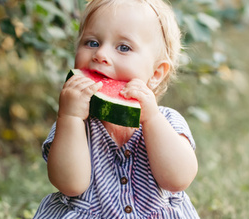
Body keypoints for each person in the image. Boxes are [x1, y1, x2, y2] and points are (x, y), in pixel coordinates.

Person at [33, 0, 199, 218]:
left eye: (123, 47)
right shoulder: (73, 125)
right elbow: (70, 184)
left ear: (156, 73)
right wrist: (70, 117)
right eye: (92, 42)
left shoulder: (168, 120)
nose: (100, 54)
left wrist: (151, 119)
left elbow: (178, 179)